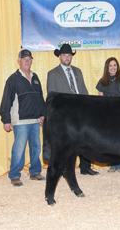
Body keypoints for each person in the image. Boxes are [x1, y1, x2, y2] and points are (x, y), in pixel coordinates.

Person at [44, 44, 99, 175]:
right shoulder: (52, 73)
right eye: (64, 55)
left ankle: (85, 167)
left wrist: (88, 107)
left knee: (85, 139)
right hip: (65, 114)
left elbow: (83, 90)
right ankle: (65, 168)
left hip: (80, 111)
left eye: (69, 55)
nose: (67, 57)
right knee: (66, 142)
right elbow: (51, 95)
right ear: (59, 57)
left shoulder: (77, 71)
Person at [0, 49, 46, 186]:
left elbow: (40, 98)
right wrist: (6, 119)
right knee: (19, 148)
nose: (27, 61)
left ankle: (35, 171)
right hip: (20, 120)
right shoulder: (13, 79)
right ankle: (14, 175)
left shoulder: (35, 77)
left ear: (31, 61)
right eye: (24, 59)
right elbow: (6, 100)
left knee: (36, 147)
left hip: (35, 119)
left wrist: (43, 114)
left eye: (29, 59)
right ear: (18, 61)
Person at [96, 57, 120, 173]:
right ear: (107, 68)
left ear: (118, 67)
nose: (113, 67)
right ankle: (113, 164)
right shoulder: (102, 82)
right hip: (108, 116)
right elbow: (100, 101)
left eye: (115, 65)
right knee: (110, 141)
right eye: (110, 65)